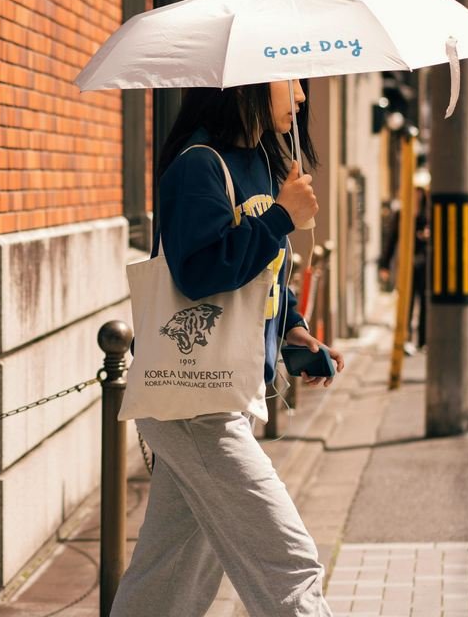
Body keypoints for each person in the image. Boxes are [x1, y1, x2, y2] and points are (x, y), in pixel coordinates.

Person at [111, 80, 342, 617]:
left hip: (219, 397)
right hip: (196, 407)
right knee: (289, 564)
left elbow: (263, 277)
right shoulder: (198, 164)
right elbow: (198, 274)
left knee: (166, 582)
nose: (303, 98)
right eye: (294, 83)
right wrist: (280, 217)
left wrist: (294, 330)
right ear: (248, 84)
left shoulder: (260, 163)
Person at [378, 179, 430, 355]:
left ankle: (423, 340)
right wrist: (384, 265)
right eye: (413, 191)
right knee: (406, 302)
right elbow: (392, 240)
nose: (416, 195)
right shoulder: (402, 213)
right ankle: (405, 338)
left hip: (425, 264)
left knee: (424, 302)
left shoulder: (428, 213)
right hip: (407, 264)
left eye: (419, 191)